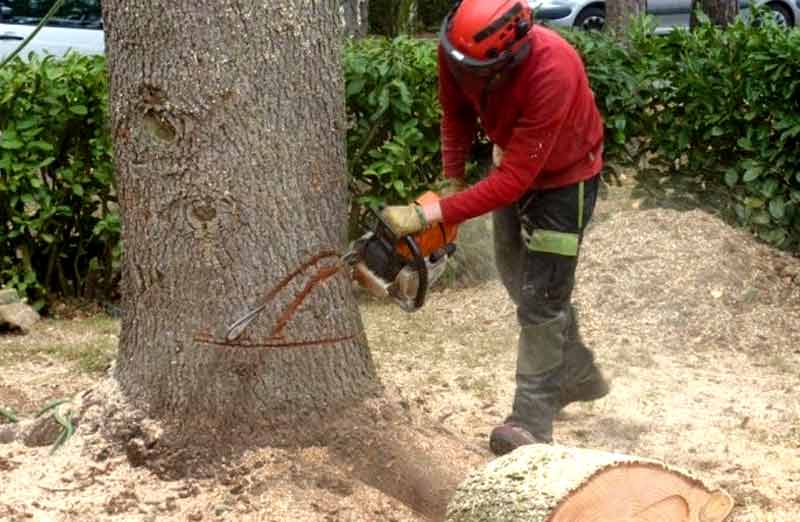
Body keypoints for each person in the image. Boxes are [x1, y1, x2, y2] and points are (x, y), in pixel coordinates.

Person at [381, 0, 610, 456]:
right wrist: (452, 180)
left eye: (478, 71)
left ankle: (531, 421)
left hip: (566, 182)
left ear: (511, 55)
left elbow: (512, 183)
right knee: (517, 280)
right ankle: (577, 373)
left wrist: (435, 213)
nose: (466, 74)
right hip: (511, 165)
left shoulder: (554, 68)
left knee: (541, 300)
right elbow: (456, 113)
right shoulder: (459, 52)